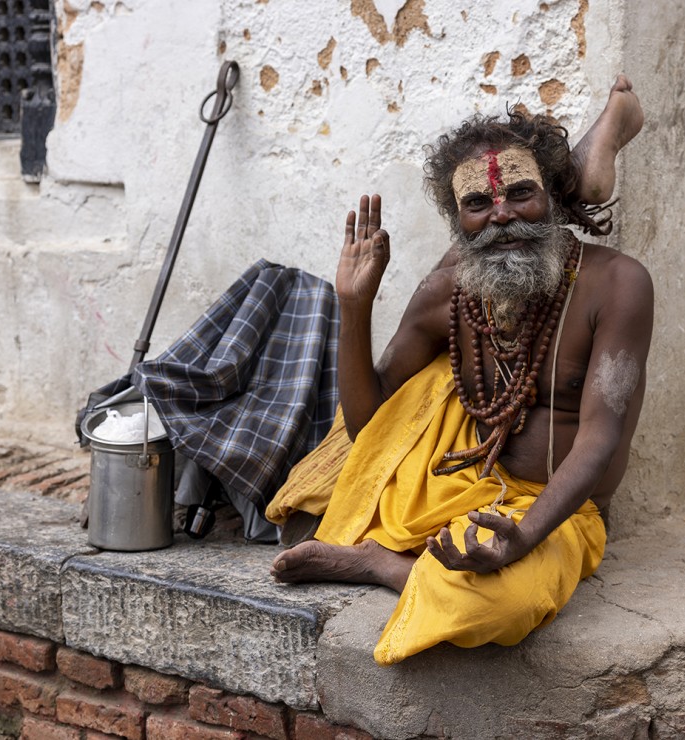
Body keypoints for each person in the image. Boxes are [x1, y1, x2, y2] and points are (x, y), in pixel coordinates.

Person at [268, 75, 652, 666]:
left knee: (497, 606)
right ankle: (401, 555)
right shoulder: (453, 284)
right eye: (477, 203)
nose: (501, 216)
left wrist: (522, 537)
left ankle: (381, 562)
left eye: (521, 193)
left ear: (553, 197)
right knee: (316, 498)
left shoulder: (619, 283)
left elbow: (600, 439)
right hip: (453, 481)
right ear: (457, 218)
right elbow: (371, 426)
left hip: (552, 511)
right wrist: (355, 305)